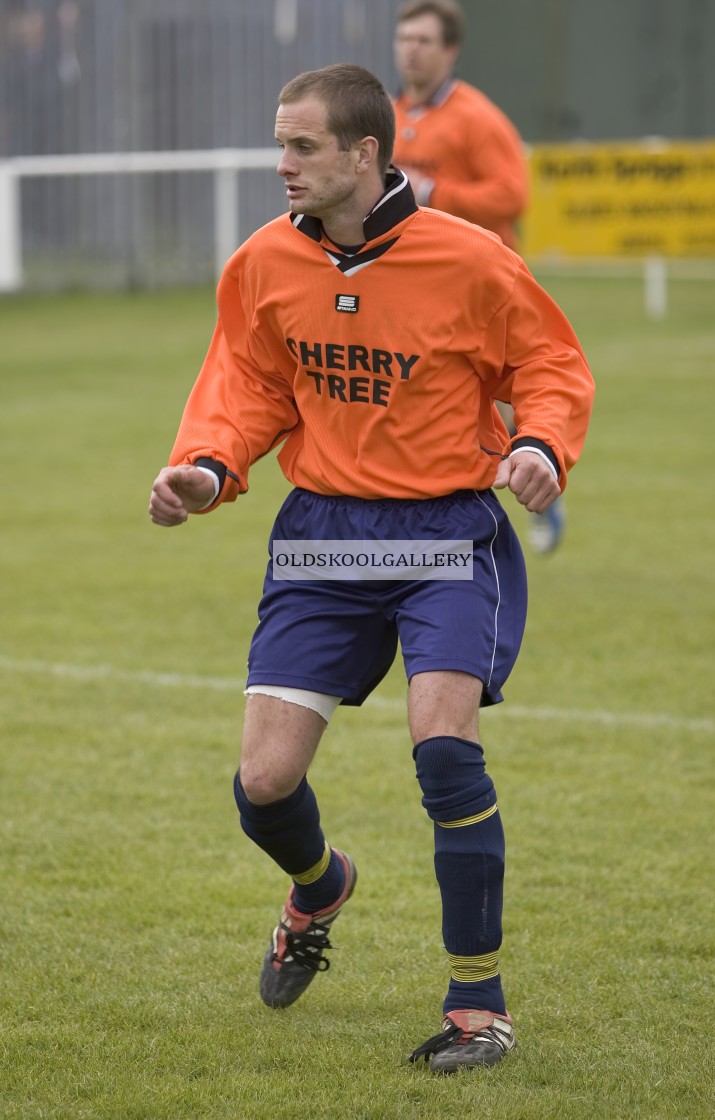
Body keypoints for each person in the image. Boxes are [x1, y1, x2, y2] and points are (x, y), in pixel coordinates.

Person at [149, 63, 594, 1073]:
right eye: (281, 143)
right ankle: (318, 885)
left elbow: (552, 367)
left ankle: (478, 1006)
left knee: (445, 748)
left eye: (303, 147)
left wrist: (541, 443)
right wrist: (209, 466)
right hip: (323, 537)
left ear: (365, 154)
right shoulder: (262, 262)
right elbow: (247, 383)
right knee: (263, 785)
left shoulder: (470, 261)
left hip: (442, 532)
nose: (283, 164)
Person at [392, 0, 566, 554]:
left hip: (481, 292)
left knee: (510, 402)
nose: (410, 50)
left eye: (423, 40)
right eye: (404, 39)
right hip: (413, 291)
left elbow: (511, 196)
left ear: (450, 50)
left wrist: (434, 192)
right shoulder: (389, 116)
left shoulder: (477, 117)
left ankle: (541, 488)